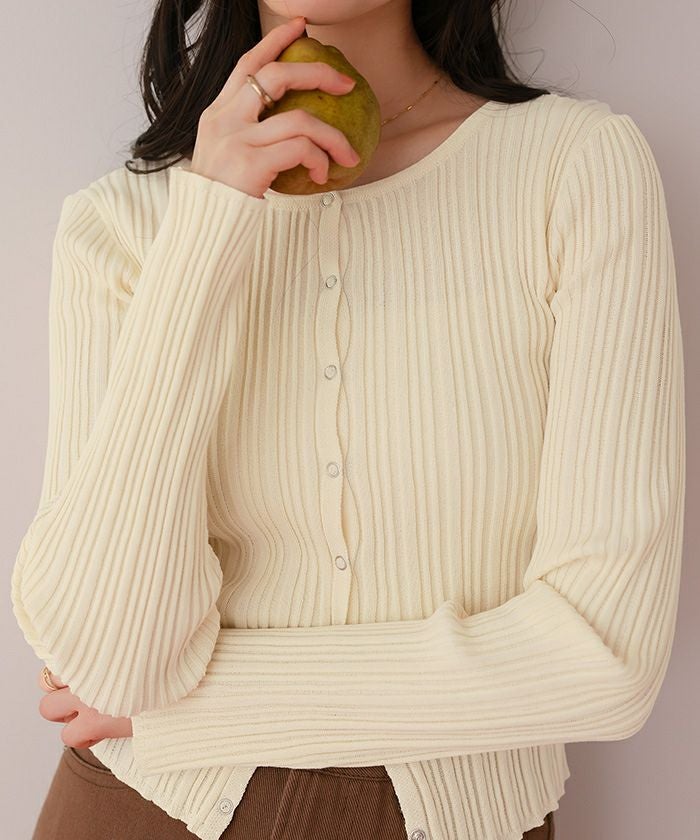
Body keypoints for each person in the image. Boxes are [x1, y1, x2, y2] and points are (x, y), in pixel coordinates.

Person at [12, 1, 684, 839]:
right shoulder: (120, 223)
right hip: (142, 810)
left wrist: (196, 711)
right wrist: (207, 225)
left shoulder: (575, 168)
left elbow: (605, 658)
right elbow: (110, 659)